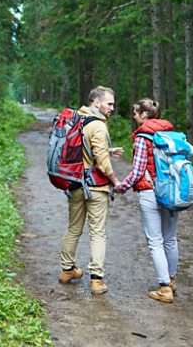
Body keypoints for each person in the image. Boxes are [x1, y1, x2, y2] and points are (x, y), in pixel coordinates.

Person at [59, 85, 122, 295]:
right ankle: (96, 280)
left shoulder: (77, 120)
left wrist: (109, 150)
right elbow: (102, 162)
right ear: (97, 103)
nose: (112, 107)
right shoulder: (99, 126)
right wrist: (114, 181)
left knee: (74, 228)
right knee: (97, 233)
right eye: (109, 103)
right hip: (96, 186)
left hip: (75, 183)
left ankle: (67, 270)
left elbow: (85, 150)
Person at [114, 98, 179, 303]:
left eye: (135, 114)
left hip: (150, 191)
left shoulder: (143, 137)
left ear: (144, 115)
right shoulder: (170, 134)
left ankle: (164, 288)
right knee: (170, 238)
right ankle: (172, 279)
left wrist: (122, 187)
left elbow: (138, 170)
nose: (134, 118)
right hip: (171, 191)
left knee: (155, 240)